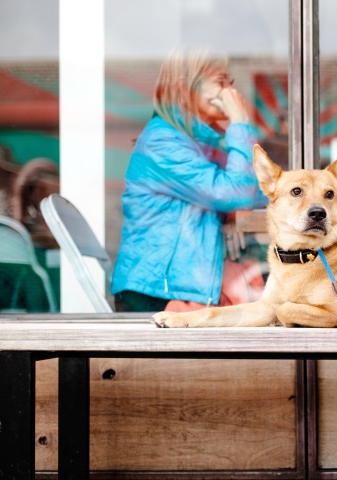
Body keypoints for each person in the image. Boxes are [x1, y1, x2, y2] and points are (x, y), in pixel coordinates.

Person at [111, 47, 267, 312]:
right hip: (156, 294)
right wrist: (240, 123)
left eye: (231, 83)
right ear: (186, 88)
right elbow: (234, 194)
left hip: (178, 288)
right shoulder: (164, 142)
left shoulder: (198, 143)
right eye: (220, 82)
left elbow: (251, 193)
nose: (230, 93)